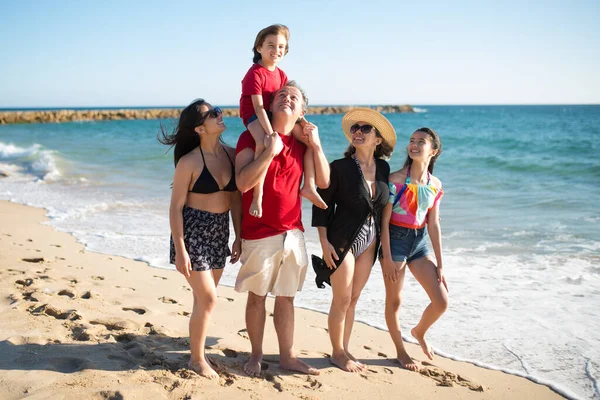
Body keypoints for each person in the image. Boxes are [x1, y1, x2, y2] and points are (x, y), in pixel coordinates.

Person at [235, 81, 330, 377]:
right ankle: (255, 355)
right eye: (280, 95)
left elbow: (324, 182)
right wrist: (269, 152)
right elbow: (242, 183)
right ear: (270, 104)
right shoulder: (251, 138)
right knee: (257, 297)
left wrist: (316, 144)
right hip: (259, 232)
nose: (287, 99)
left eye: (294, 97)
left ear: (302, 110)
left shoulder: (303, 143)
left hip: (293, 232)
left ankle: (288, 356)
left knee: (287, 297)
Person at [159, 99, 242, 379]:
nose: (220, 115)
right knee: (208, 299)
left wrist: (239, 235)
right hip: (192, 232)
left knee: (202, 300)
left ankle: (197, 352)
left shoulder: (232, 155)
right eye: (213, 114)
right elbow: (175, 207)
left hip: (220, 230)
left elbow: (236, 199)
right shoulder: (189, 162)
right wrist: (180, 248)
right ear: (199, 128)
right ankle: (197, 360)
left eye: (218, 111)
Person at [312, 108, 396, 372]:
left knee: (354, 298)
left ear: (378, 140)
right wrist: (323, 243)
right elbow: (321, 205)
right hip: (341, 240)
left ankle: (345, 347)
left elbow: (384, 208)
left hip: (370, 242)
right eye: (354, 128)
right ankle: (337, 352)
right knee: (342, 298)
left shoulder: (383, 167)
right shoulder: (339, 167)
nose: (358, 132)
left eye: (365, 128)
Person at [239, 24, 326, 218]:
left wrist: (303, 122)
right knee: (264, 144)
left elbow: (287, 101)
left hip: (269, 115)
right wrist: (271, 134)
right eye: (271, 45)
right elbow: (260, 107)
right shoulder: (255, 73)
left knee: (307, 140)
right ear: (259, 48)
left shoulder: (281, 75)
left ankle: (309, 186)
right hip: (253, 115)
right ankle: (257, 196)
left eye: (281, 47)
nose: (276, 50)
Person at [379, 127, 448, 371]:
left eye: (421, 142)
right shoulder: (395, 179)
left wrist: (440, 263)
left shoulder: (435, 184)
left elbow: (434, 224)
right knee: (394, 302)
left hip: (419, 243)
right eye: (412, 141)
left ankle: (418, 332)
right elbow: (384, 221)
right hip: (395, 240)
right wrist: (387, 256)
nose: (414, 145)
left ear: (434, 151)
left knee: (441, 302)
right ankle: (401, 352)